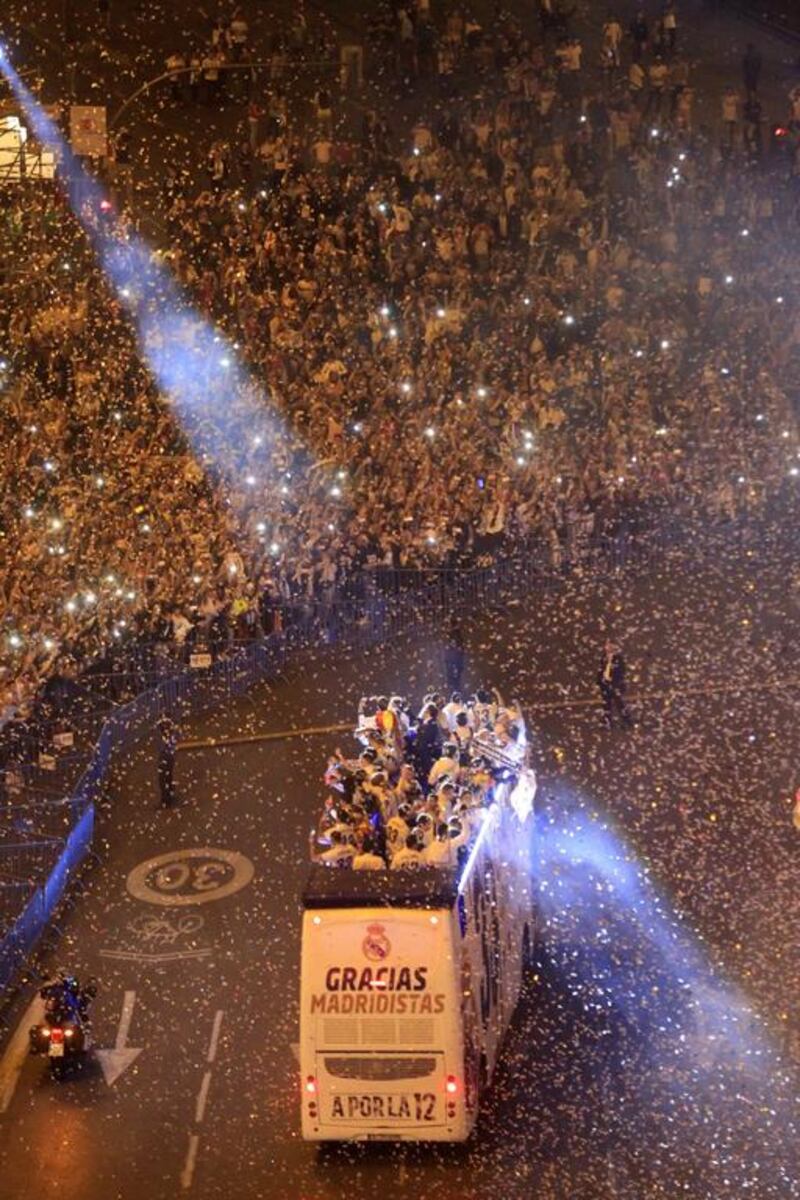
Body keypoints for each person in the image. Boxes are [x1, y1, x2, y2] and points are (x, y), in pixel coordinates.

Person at [597, 640, 632, 728]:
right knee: (606, 704)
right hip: (605, 684)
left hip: (615, 685)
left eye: (609, 646)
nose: (607, 648)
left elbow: (621, 672)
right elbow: (601, 670)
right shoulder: (604, 658)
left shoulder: (618, 659)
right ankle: (607, 722)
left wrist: (615, 681)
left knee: (619, 703)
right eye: (606, 646)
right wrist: (599, 681)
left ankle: (627, 720)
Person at [156, 715, 178, 806]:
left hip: (165, 758)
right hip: (170, 758)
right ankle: (169, 796)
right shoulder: (173, 735)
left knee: (163, 779)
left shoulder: (165, 738)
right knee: (168, 777)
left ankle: (166, 800)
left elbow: (162, 748)